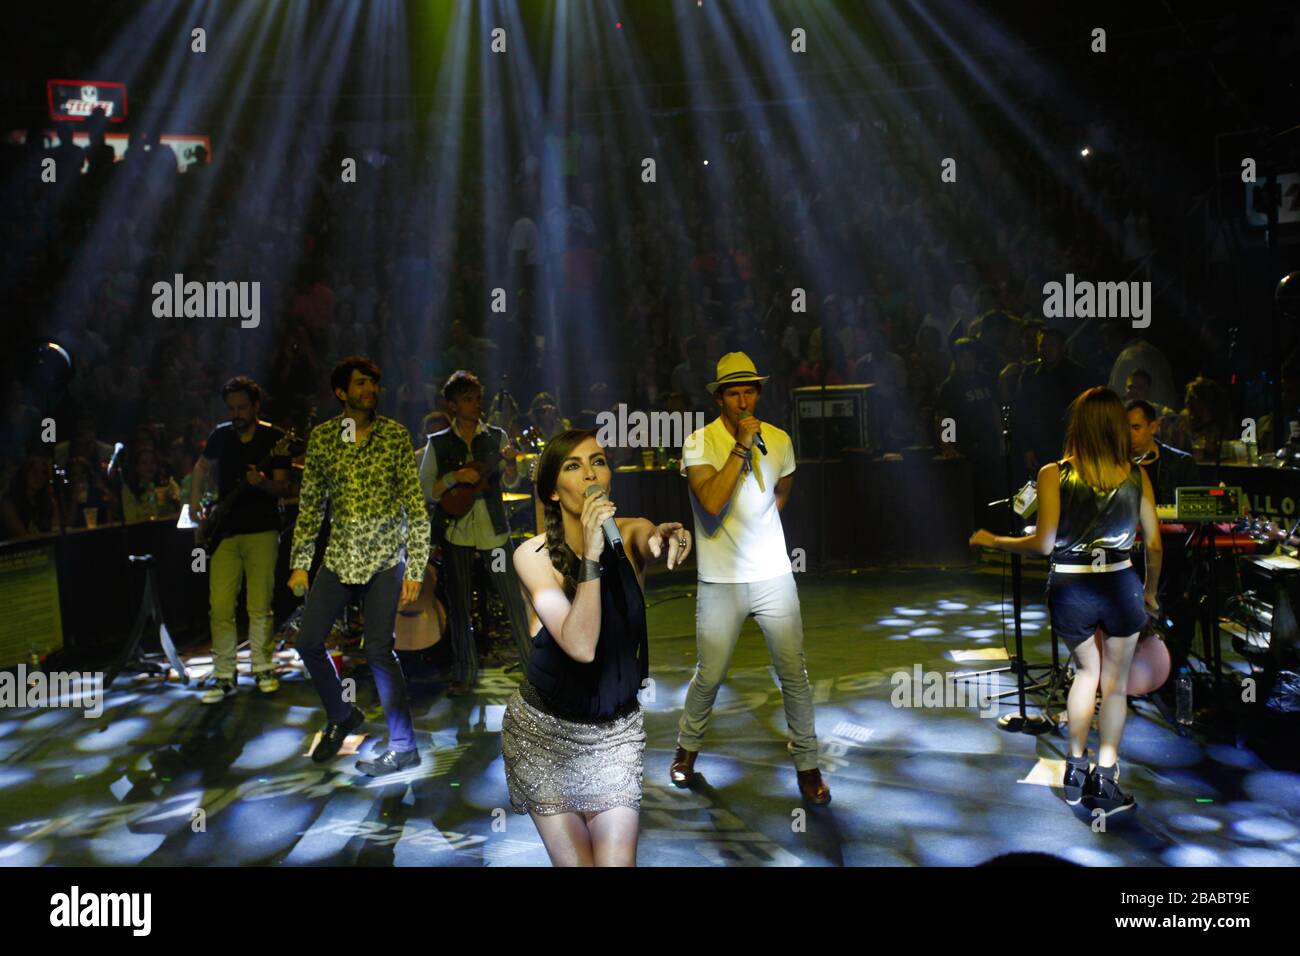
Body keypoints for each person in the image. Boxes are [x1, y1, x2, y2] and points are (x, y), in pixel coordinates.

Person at [502, 429, 692, 866]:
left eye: (598, 461)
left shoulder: (628, 534)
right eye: (573, 465)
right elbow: (580, 645)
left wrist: (668, 537)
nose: (590, 472)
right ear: (553, 489)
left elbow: (653, 538)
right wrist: (589, 555)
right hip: (545, 739)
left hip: (615, 737)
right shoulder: (532, 557)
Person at [970, 386, 1162, 818]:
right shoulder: (1136, 476)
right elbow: (1153, 544)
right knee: (1114, 686)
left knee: (1085, 673)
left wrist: (995, 540)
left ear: (1077, 425)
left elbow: (1042, 544)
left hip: (1071, 588)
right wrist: (1150, 590)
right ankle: (1106, 779)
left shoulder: (1053, 473)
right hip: (1120, 585)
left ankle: (1075, 769)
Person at [672, 352, 831, 805]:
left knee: (793, 674)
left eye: (750, 391)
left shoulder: (778, 439)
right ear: (719, 397)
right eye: (733, 392)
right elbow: (710, 502)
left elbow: (783, 489)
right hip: (720, 579)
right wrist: (741, 446)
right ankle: (686, 750)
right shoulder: (699, 443)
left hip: (774, 574)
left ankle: (808, 766)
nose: (743, 400)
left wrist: (760, 530)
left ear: (758, 393)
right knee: (711, 673)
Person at [288, 357, 431, 776]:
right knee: (307, 642)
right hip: (338, 559)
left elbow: (415, 508)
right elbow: (311, 505)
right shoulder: (323, 439)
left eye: (373, 382)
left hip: (385, 559)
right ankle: (342, 715)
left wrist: (415, 568)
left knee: (378, 651)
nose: (370, 389)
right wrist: (300, 563)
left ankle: (404, 747)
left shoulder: (394, 436)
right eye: (360, 383)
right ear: (341, 392)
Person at [419, 370, 533, 693]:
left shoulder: (497, 437)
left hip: (494, 530)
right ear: (453, 405)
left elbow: (511, 482)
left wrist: (511, 466)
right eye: (468, 399)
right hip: (456, 531)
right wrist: (456, 478)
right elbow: (428, 489)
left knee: (513, 596)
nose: (476, 404)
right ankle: (465, 673)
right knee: (459, 605)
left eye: (478, 397)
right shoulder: (438, 444)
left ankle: (532, 667)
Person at [190, 377, 293, 703]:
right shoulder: (221, 436)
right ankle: (224, 675)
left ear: (255, 406)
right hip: (225, 532)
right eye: (231, 408)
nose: (236, 414)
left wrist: (261, 483)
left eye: (242, 407)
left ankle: (262, 668)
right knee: (219, 606)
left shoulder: (275, 438)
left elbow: (284, 487)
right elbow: (200, 467)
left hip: (262, 529)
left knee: (259, 605)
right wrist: (194, 501)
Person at [1126, 399, 1198, 506]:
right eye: (1125, 428)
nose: (1130, 434)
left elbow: (1192, 511)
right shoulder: (1117, 463)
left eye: (1136, 428)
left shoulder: (1182, 463)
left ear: (1153, 428)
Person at [120, 446, 181, 524]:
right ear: (136, 467)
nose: (149, 466)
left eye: (153, 462)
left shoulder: (168, 484)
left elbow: (181, 504)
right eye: (144, 463)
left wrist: (172, 501)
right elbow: (130, 516)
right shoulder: (128, 488)